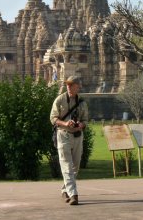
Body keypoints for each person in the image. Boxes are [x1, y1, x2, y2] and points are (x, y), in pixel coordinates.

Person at [50, 76, 88, 205]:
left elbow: (85, 120)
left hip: (77, 135)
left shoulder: (82, 102)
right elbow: (53, 118)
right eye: (67, 85)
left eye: (72, 85)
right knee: (66, 165)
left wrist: (80, 125)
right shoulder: (60, 100)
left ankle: (65, 190)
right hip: (63, 134)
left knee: (75, 166)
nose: (69, 87)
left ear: (78, 86)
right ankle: (74, 195)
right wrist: (65, 124)